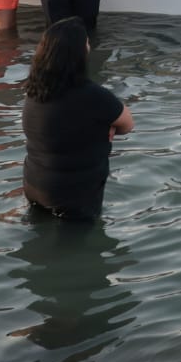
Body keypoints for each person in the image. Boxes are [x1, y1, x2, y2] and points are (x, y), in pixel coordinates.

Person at [21, 17, 133, 221]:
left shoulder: (33, 91)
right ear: (78, 53)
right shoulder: (93, 96)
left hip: (34, 185)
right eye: (87, 43)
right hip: (74, 195)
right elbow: (127, 124)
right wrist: (107, 128)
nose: (89, 47)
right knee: (80, 245)